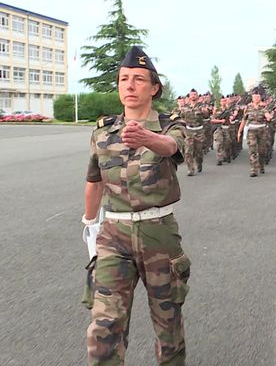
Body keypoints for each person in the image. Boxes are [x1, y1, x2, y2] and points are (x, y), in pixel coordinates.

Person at [82, 46, 191, 365]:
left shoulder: (171, 124)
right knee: (105, 325)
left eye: (139, 79)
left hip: (159, 234)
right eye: (123, 79)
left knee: (167, 324)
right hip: (113, 236)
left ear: (154, 87)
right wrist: (89, 225)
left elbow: (172, 147)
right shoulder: (103, 131)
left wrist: (146, 138)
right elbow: (94, 180)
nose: (129, 85)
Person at [237, 88, 273, 177]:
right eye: (254, 97)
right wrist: (239, 131)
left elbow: (267, 115)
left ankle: (261, 165)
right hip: (251, 131)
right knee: (252, 150)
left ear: (260, 98)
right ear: (252, 98)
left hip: (262, 131)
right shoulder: (248, 108)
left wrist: (269, 117)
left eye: (258, 97)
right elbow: (244, 120)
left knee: (262, 151)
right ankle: (253, 169)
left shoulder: (264, 107)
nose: (256, 99)